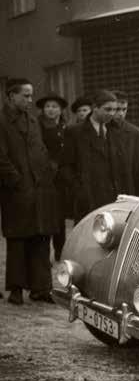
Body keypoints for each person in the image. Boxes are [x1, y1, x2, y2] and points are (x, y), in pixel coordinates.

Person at [0, 79, 58, 304]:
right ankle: (16, 289)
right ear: (11, 96)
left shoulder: (32, 120)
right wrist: (15, 180)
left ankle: (41, 288)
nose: (30, 100)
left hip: (39, 188)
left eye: (31, 96)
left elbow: (40, 149)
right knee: (18, 238)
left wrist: (47, 171)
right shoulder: (2, 121)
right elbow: (1, 157)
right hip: (16, 190)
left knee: (40, 236)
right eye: (25, 96)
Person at [62, 90, 135, 220]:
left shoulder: (116, 131)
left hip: (115, 199)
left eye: (114, 109)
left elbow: (125, 167)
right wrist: (79, 190)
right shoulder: (75, 132)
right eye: (107, 109)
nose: (112, 113)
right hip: (89, 199)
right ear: (95, 108)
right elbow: (66, 166)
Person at [36, 92, 70, 261]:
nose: (51, 110)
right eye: (48, 106)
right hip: (45, 177)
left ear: (61, 109)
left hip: (62, 179)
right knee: (46, 216)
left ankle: (60, 252)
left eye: (54, 106)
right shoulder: (38, 126)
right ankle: (43, 255)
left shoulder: (65, 126)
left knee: (60, 217)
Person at [112, 90, 139, 195]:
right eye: (117, 109)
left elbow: (138, 164)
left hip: (128, 186)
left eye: (124, 109)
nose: (121, 113)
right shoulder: (103, 130)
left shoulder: (134, 132)